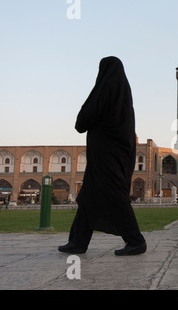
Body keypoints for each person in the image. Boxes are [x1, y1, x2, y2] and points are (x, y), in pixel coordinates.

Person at [58, 56, 147, 256]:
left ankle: (136, 240)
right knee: (88, 197)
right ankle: (78, 241)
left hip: (105, 157)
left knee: (115, 196)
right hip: (112, 157)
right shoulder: (124, 97)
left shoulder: (106, 89)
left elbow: (82, 122)